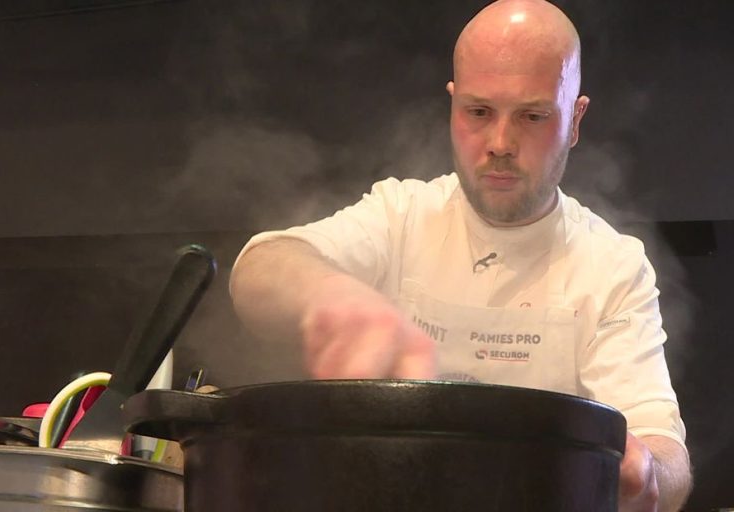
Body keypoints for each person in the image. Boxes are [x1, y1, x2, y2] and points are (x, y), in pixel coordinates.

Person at [229, 0, 692, 510]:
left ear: (575, 120)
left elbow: (665, 449)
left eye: (533, 116)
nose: (500, 143)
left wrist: (645, 472)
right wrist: (329, 294)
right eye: (478, 112)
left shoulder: (614, 265)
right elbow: (262, 266)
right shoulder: (400, 215)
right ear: (453, 106)